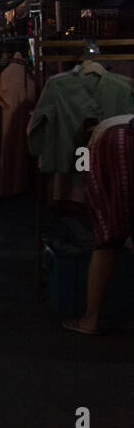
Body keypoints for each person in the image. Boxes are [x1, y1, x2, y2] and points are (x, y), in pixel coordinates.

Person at [63, 114, 134, 334]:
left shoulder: (92, 137)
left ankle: (90, 319)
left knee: (107, 238)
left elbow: (82, 166)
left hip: (111, 143)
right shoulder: (123, 89)